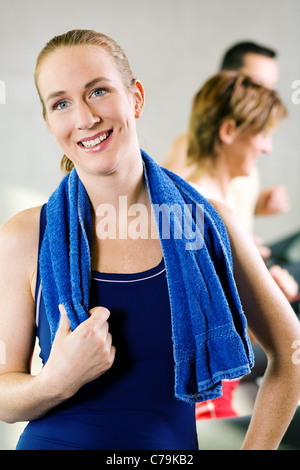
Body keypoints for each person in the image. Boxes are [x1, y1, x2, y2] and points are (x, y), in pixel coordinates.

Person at [0, 29, 300, 451]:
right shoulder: (22, 237)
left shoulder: (210, 225)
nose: (85, 118)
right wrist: (54, 382)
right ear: (51, 123)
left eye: (99, 91)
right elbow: (3, 396)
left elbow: (293, 355)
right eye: (61, 103)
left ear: (136, 97)